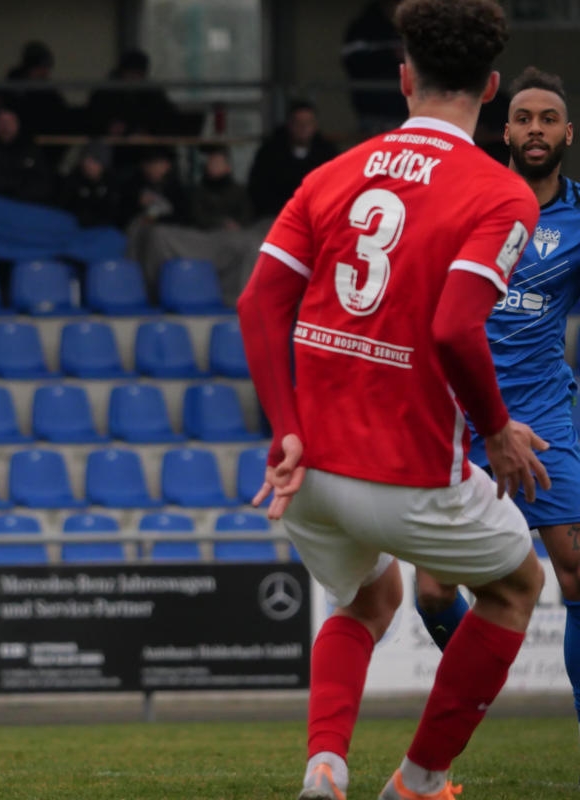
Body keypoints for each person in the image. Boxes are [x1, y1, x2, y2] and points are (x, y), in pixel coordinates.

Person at [236, 2, 550, 799]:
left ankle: (325, 766)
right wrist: (499, 431)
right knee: (517, 589)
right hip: (410, 472)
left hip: (310, 469)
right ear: (490, 87)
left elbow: (256, 305)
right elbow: (453, 328)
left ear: (404, 78)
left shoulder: (331, 173)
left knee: (368, 595)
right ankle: (419, 778)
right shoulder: (503, 194)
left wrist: (286, 432)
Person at [411, 65, 580, 748]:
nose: (535, 129)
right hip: (459, 422)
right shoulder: (470, 197)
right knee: (430, 592)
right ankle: (475, 686)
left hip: (543, 419)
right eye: (523, 118)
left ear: (568, 132)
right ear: (502, 129)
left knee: (576, 575)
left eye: (548, 119)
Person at [246, 101, 338, 220]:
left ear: (315, 125)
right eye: (298, 123)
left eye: (308, 123)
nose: (303, 127)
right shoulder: (270, 153)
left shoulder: (327, 153)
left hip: (317, 216)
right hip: (277, 216)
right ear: (290, 125)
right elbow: (259, 189)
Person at [0, 106, 55, 205]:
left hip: (28, 205)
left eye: (10, 121)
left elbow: (44, 183)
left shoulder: (30, 147)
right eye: (0, 121)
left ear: (18, 123)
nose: (5, 126)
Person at [341, 0, 407, 136]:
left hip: (406, 109)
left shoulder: (412, 26)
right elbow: (353, 60)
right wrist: (391, 55)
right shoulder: (364, 26)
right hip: (373, 109)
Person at [56, 141, 121, 229]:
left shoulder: (111, 183)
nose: (88, 164)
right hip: (75, 230)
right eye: (86, 159)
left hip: (102, 231)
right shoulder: (73, 180)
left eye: (94, 160)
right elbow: (62, 209)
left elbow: (113, 212)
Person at [189, 145, 252, 231]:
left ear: (228, 167)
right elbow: (198, 216)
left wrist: (235, 224)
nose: (214, 166)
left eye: (218, 163)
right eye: (211, 162)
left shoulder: (238, 191)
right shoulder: (199, 191)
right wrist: (220, 223)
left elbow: (247, 214)